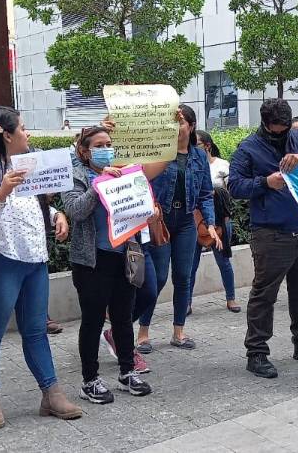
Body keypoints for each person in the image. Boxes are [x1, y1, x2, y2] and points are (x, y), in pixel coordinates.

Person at [0, 106, 81, 429]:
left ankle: (51, 393)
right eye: (23, 128)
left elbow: (37, 202)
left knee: (36, 329)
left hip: (34, 259)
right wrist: (3, 190)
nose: (27, 134)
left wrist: (56, 214)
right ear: (5, 133)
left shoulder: (27, 164)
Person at [64, 124, 180, 404]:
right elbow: (75, 211)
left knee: (123, 315)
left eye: (109, 145)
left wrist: (149, 213)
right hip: (92, 260)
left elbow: (138, 206)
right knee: (92, 320)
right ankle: (89, 379)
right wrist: (98, 184)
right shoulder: (78, 175)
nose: (106, 150)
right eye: (99, 146)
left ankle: (127, 371)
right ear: (84, 150)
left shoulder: (127, 171)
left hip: (125, 255)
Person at [229, 98, 298, 378]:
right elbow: (234, 186)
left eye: (285, 128)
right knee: (264, 294)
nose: (281, 133)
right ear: (265, 124)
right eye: (276, 129)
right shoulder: (248, 148)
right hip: (270, 232)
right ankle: (257, 352)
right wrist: (264, 183)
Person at [135, 105, 221, 354]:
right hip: (160, 221)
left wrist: (210, 223)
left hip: (185, 221)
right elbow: (142, 181)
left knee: (184, 277)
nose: (176, 127)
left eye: (180, 122)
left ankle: (178, 331)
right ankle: (143, 332)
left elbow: (206, 193)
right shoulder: (158, 154)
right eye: (171, 122)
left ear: (191, 126)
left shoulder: (199, 156)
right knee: (158, 278)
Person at [190, 130, 239, 313]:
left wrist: (215, 194)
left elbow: (233, 191)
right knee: (190, 266)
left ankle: (231, 298)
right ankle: (186, 302)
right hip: (195, 221)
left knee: (223, 262)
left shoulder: (222, 165)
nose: (193, 148)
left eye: (197, 144)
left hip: (219, 221)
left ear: (207, 146)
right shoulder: (189, 165)